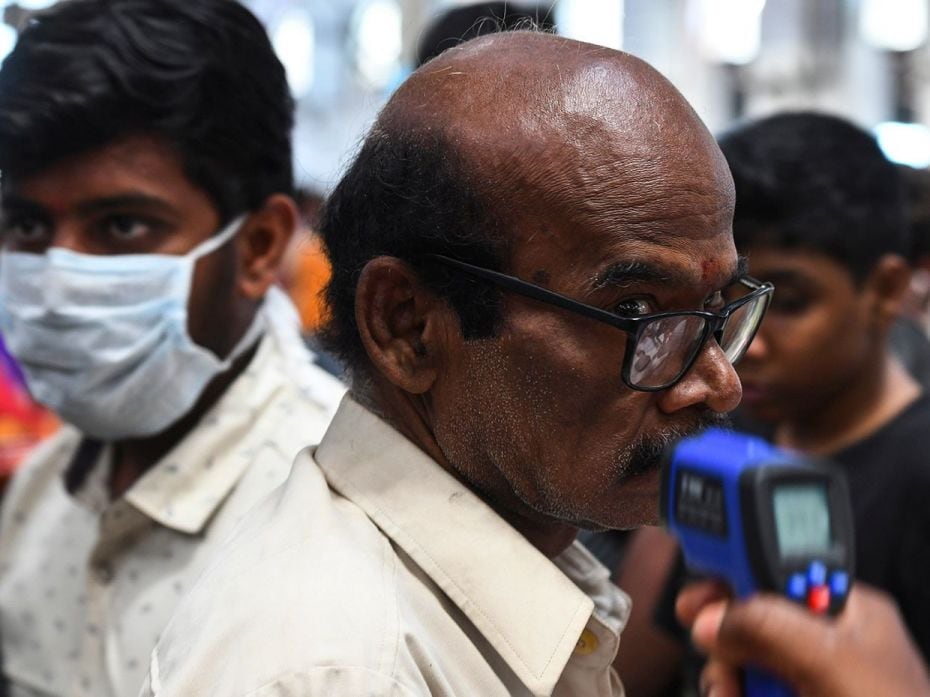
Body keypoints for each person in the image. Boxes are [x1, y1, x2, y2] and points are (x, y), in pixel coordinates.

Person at [142, 36, 930, 697]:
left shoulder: (526, 566)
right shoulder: (341, 667)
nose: (720, 380)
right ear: (407, 325)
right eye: (638, 314)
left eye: (723, 311)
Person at [0, 1, 344, 695]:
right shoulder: (39, 497)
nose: (59, 280)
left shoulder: (342, 535)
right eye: (27, 223)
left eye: (122, 225)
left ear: (258, 248)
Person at [722, 112, 930, 660]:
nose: (748, 344)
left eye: (788, 304)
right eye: (728, 305)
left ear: (885, 290)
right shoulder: (735, 435)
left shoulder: (917, 476)